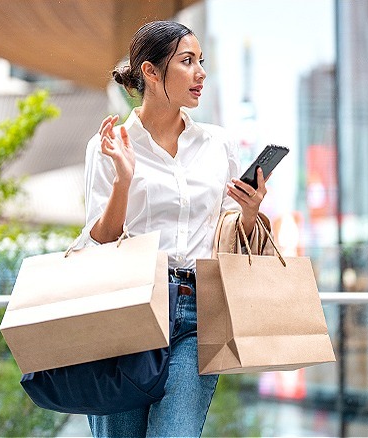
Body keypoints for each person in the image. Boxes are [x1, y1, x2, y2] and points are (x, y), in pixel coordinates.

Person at [71, 20, 269, 437]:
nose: (200, 73)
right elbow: (97, 245)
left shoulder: (218, 146)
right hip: (129, 308)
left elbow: (227, 234)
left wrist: (250, 213)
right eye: (187, 61)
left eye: (201, 62)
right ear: (150, 71)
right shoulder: (110, 144)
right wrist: (123, 182)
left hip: (198, 309)